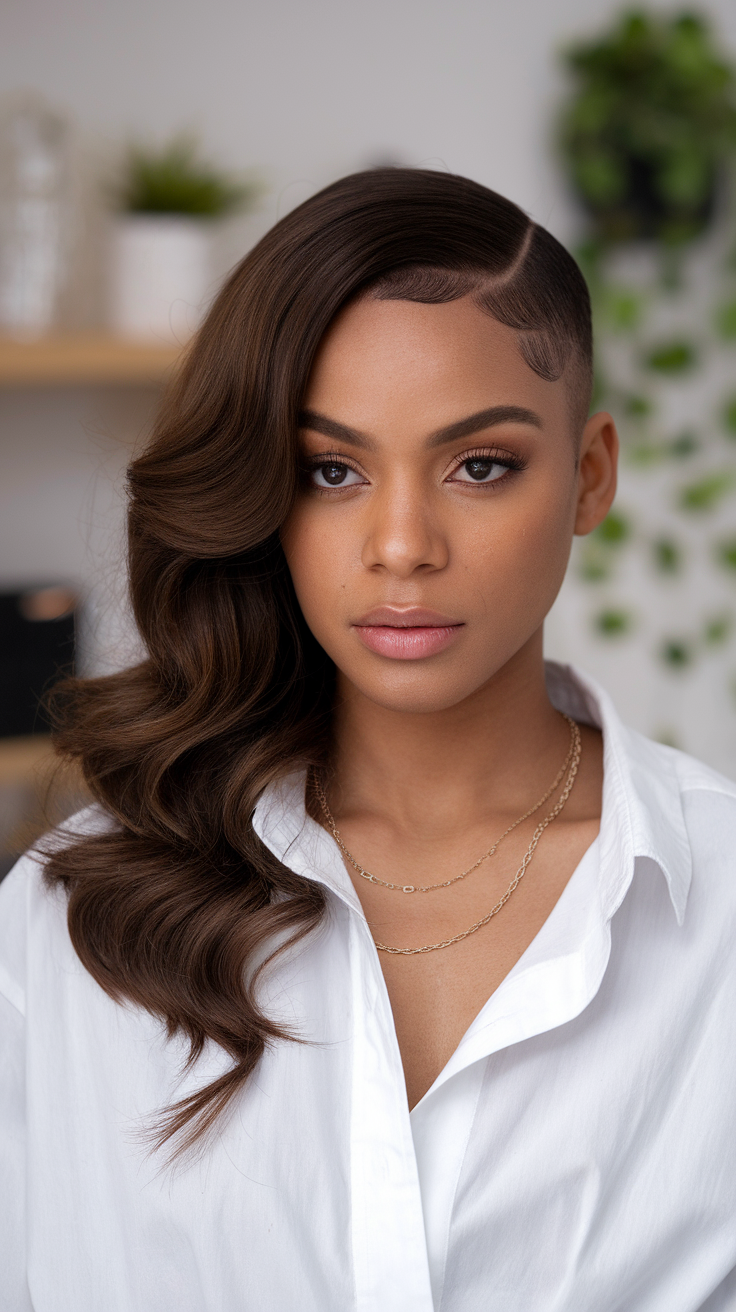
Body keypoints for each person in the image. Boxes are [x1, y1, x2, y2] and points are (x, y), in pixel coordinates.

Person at [1, 168, 735, 1312]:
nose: (401, 545)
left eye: (479, 465)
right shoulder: (66, 916)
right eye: (329, 470)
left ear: (589, 476)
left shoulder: (722, 913)